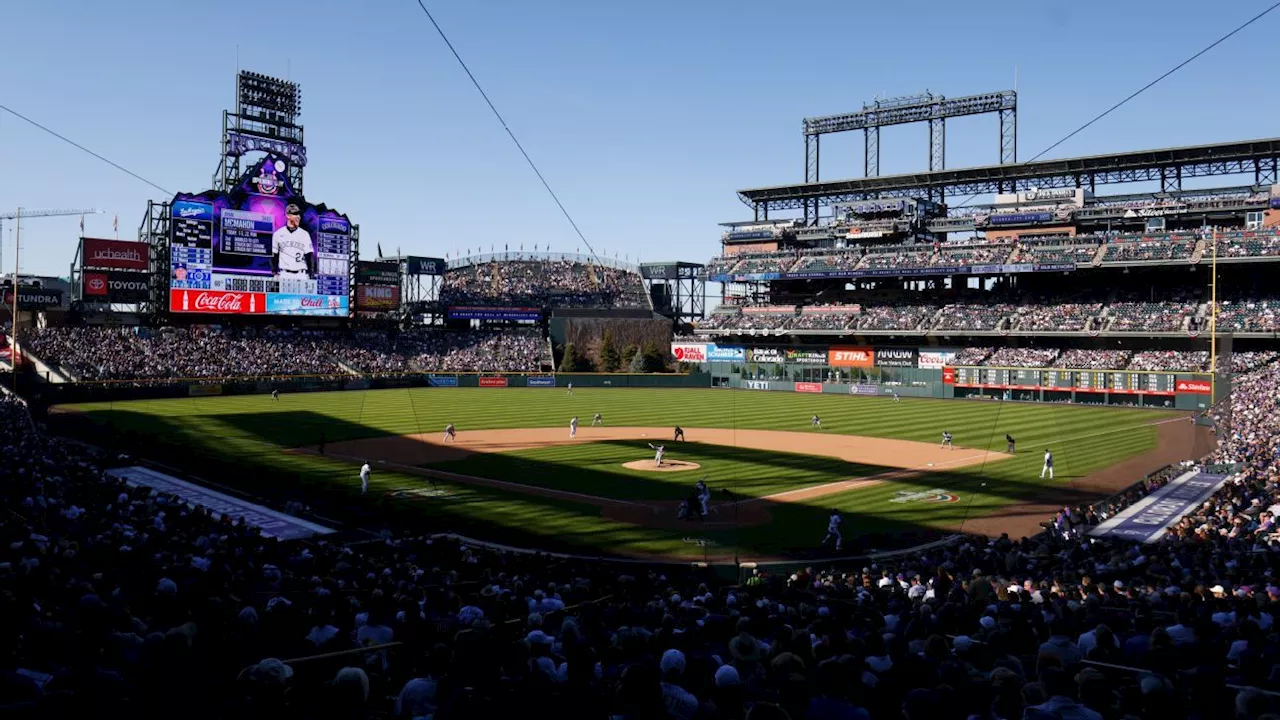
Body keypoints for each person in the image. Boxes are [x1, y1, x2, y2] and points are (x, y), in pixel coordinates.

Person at [271, 203, 315, 281]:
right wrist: (274, 272)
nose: (298, 217)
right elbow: (274, 256)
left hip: (301, 274)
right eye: (295, 214)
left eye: (299, 214)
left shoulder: (304, 234)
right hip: (284, 274)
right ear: (288, 216)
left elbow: (309, 256)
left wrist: (311, 274)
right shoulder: (278, 234)